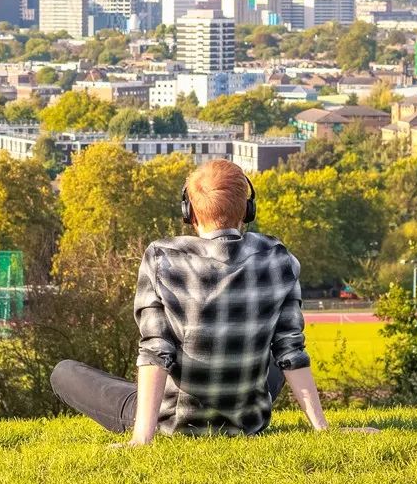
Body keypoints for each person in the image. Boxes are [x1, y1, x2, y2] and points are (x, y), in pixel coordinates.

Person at [50, 159, 329, 442]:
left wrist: (140, 439)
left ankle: (146, 420)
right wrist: (322, 429)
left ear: (190, 212)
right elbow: (290, 351)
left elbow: (156, 351)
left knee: (64, 372)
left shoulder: (163, 258)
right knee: (275, 350)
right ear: (246, 210)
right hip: (247, 420)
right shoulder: (277, 256)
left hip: (175, 421)